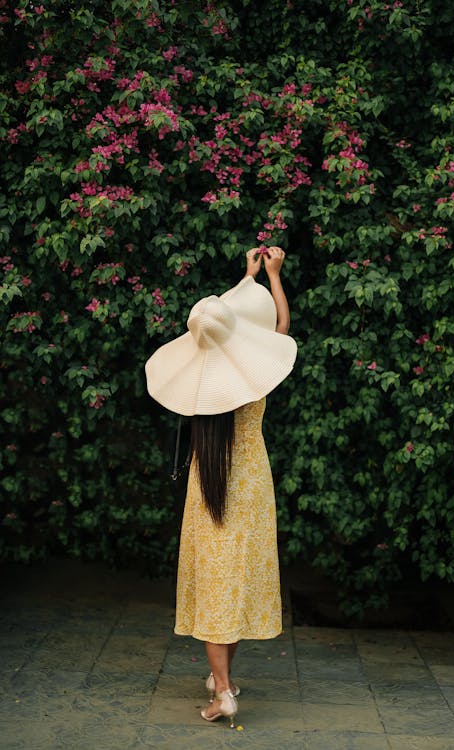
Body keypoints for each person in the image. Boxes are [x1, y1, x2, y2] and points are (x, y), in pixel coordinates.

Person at [145, 246, 297, 727]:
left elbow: (226, 330)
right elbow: (280, 331)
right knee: (234, 579)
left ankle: (224, 690)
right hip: (251, 485)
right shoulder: (254, 376)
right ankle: (221, 678)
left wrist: (246, 276)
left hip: (209, 484)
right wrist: (270, 276)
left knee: (214, 582)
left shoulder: (197, 384)